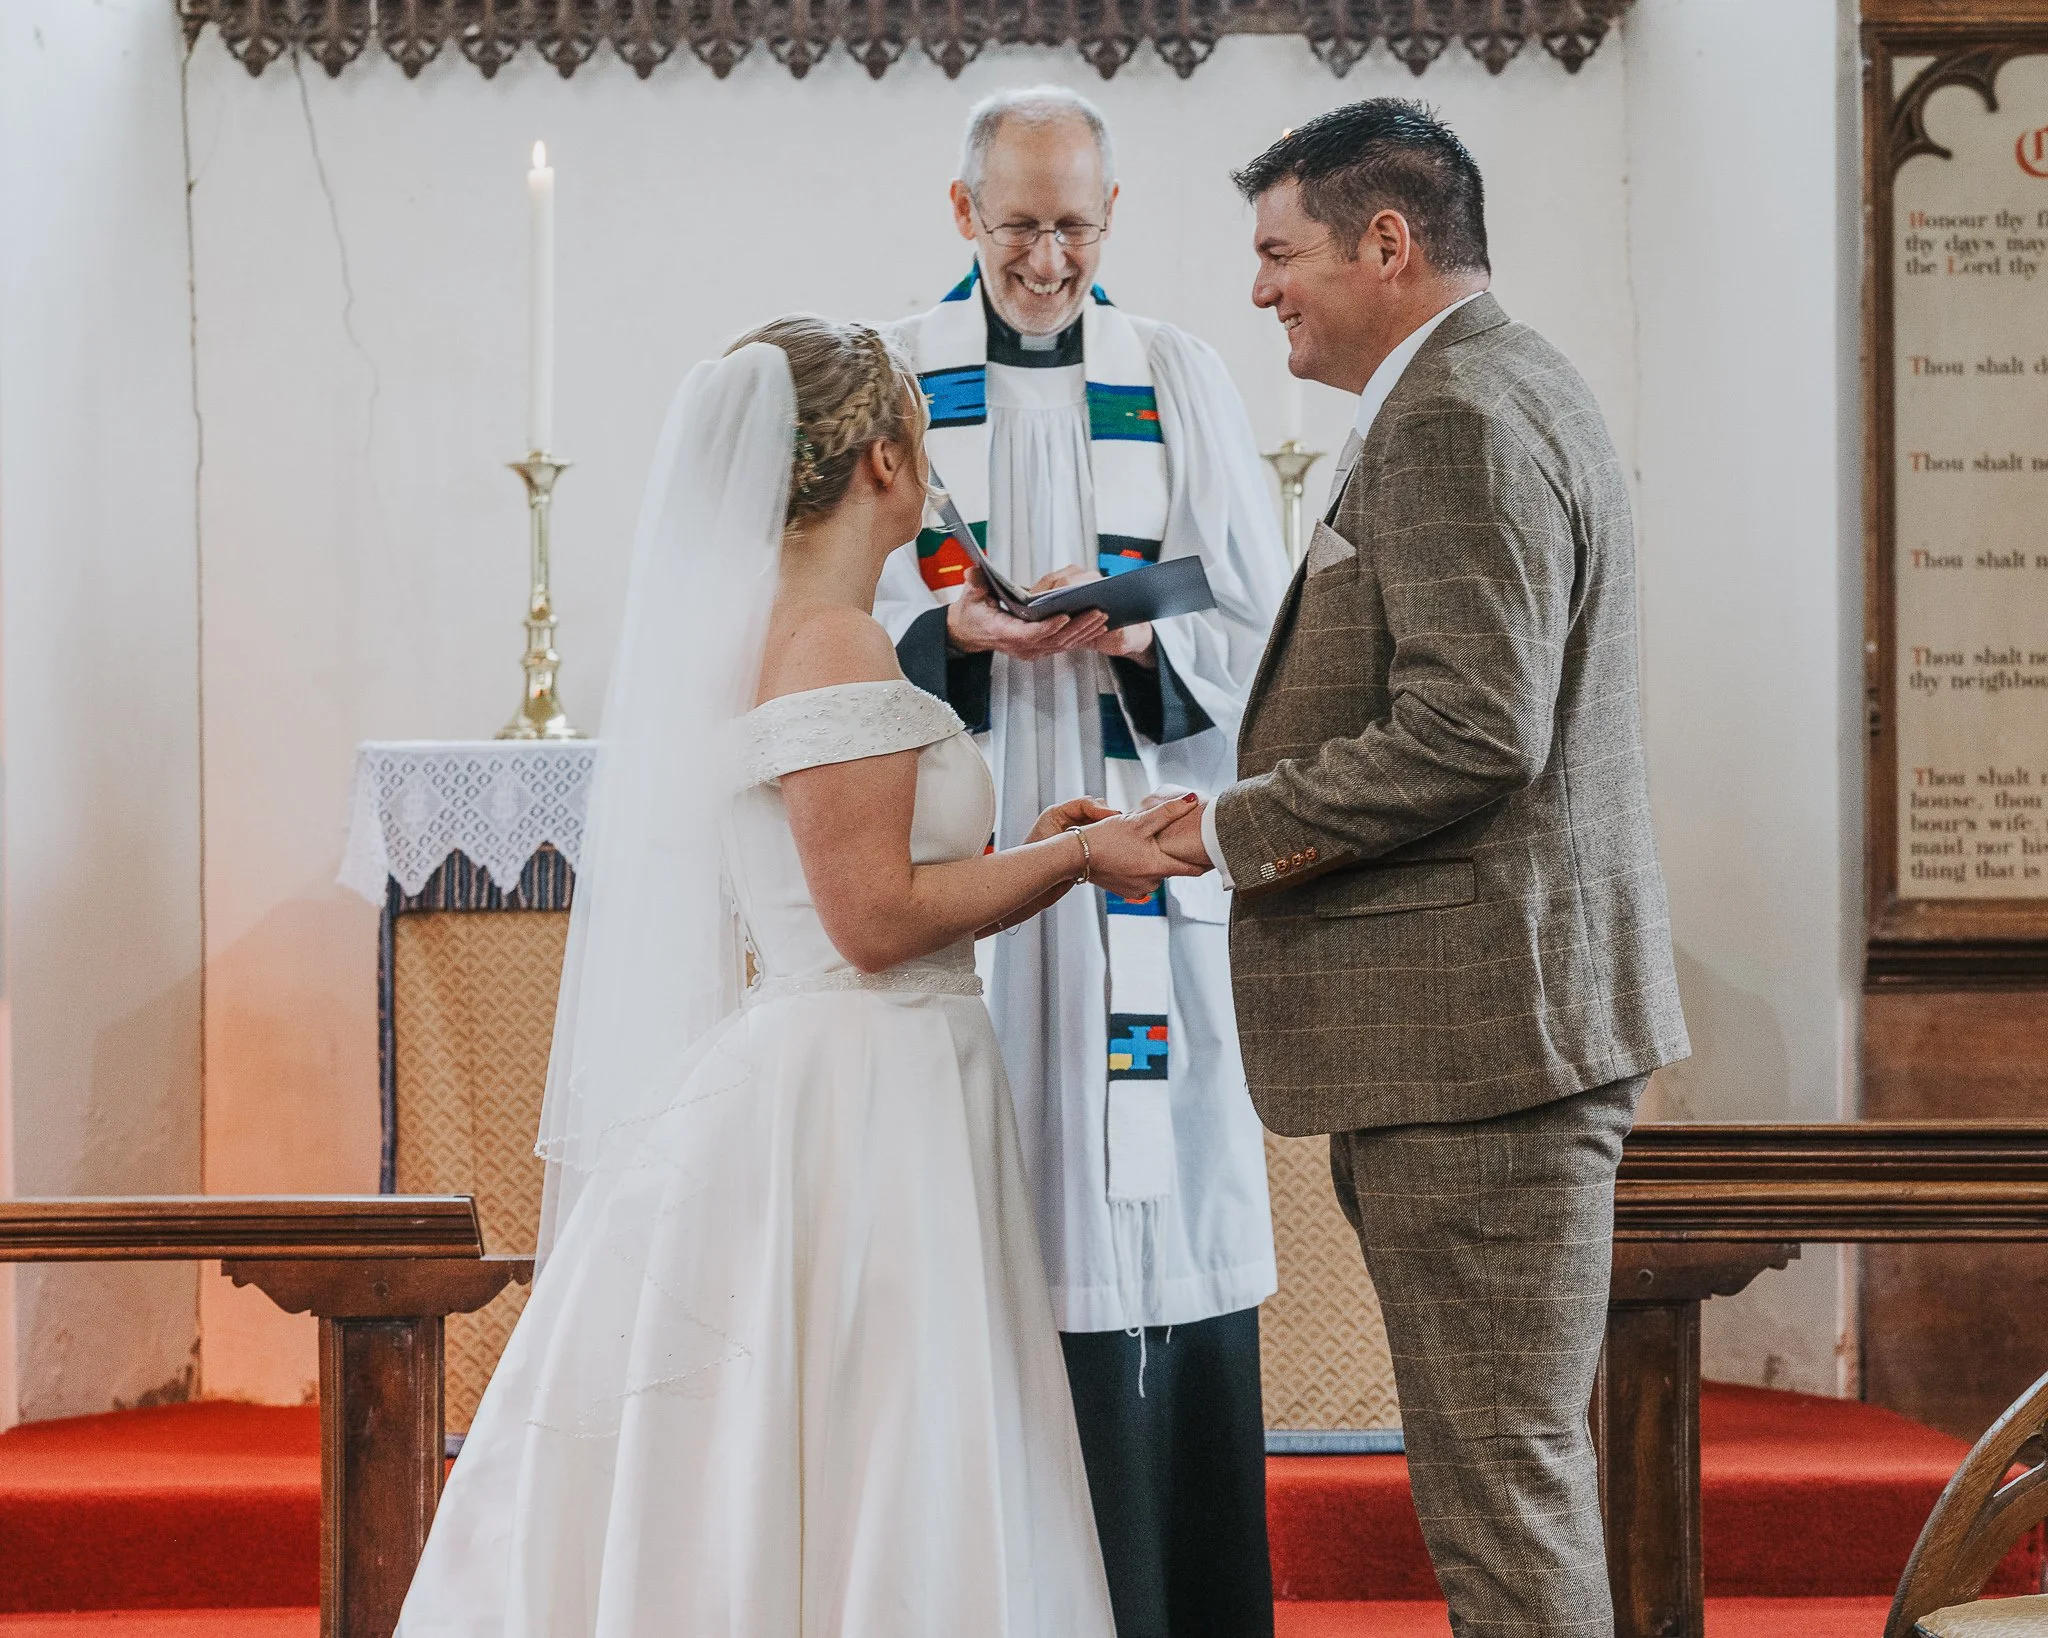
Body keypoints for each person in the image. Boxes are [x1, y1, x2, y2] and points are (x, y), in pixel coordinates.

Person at [394, 317, 1206, 1636]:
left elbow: (875, 878)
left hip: (853, 1058)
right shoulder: (829, 640)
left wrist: (1046, 842)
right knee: (886, 1424)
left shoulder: (789, 628)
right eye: (923, 438)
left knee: (826, 1427)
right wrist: (1080, 865)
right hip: (867, 1079)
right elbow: (876, 918)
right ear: (881, 457)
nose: (934, 466)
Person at [1160, 101, 1692, 1638]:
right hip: (1482, 1038)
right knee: (1505, 1472)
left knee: (1502, 1485)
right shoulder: (1489, 382)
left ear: (1385, 244)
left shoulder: (1457, 411)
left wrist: (1218, 829)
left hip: (1483, 1055)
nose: (1262, 290)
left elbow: (1473, 728)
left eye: (1282, 254)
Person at [878, 86, 1291, 1637]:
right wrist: (949, 635)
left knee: (1144, 1214)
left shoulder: (1175, 375)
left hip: (1137, 870)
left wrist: (1138, 626)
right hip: (965, 868)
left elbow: (1266, 642)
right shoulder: (891, 382)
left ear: (1112, 218)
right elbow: (819, 624)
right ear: (959, 212)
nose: (1045, 259)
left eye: (1073, 226)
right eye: (1015, 225)